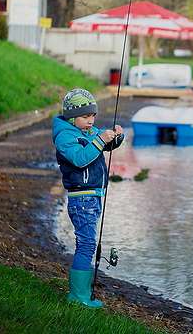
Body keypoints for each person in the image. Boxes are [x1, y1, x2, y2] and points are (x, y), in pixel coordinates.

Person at [52, 88, 124, 308]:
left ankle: (79, 295)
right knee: (86, 245)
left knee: (87, 243)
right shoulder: (65, 137)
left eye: (93, 116)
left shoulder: (86, 131)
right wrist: (100, 140)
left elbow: (105, 144)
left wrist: (116, 137)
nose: (91, 121)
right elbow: (80, 159)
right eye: (85, 117)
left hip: (93, 198)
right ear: (72, 117)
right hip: (82, 199)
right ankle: (79, 296)